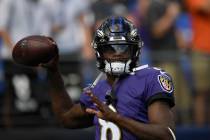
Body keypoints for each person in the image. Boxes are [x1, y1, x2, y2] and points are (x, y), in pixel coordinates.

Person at [41, 17, 176, 140]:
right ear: (100, 52)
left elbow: (166, 136)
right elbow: (66, 118)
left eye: (123, 48)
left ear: (134, 51)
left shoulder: (150, 78)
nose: (117, 53)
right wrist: (53, 71)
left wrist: (116, 118)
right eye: (110, 48)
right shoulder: (97, 90)